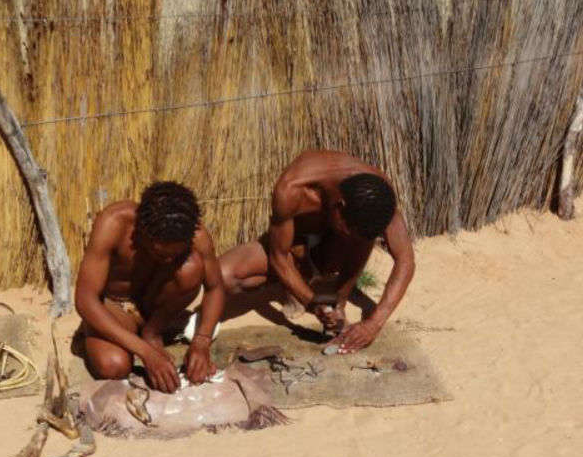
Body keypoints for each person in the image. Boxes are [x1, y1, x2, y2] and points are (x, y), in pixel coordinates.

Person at [219, 150, 415, 354]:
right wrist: (312, 302)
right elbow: (278, 256)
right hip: (294, 248)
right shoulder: (293, 189)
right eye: (347, 230)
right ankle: (296, 285)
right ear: (339, 206)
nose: (351, 237)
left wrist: (373, 323)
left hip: (329, 252)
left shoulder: (377, 196)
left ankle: (339, 299)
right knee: (225, 276)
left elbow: (406, 261)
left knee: (361, 239)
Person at [74, 181, 225, 393]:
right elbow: (85, 299)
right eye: (160, 254)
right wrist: (147, 354)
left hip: (154, 309)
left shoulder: (196, 236)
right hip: (116, 306)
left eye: (175, 254)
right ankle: (102, 334)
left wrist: (202, 343)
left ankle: (152, 332)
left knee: (191, 268)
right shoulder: (113, 223)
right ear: (142, 231)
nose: (168, 260)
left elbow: (215, 288)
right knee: (114, 366)